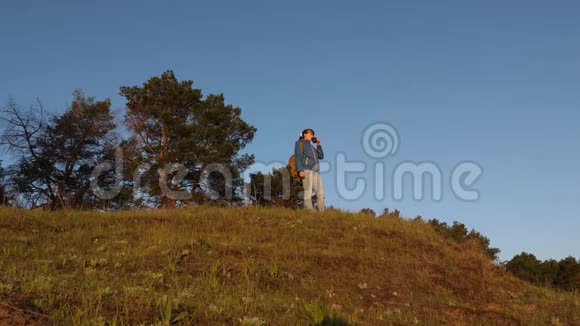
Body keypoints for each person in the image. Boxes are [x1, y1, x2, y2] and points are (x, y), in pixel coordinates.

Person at [295, 128, 325, 211]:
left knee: (320, 193)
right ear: (304, 134)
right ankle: (309, 210)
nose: (312, 135)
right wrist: (300, 170)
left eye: (312, 134)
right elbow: (297, 157)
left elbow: (321, 156)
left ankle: (322, 212)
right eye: (310, 133)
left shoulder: (312, 147)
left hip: (316, 171)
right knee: (308, 191)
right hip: (306, 169)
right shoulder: (299, 143)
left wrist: (318, 145)